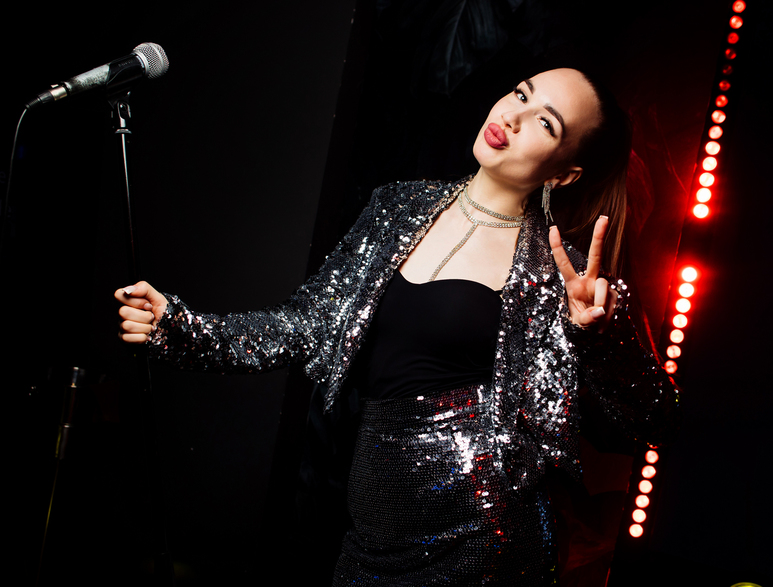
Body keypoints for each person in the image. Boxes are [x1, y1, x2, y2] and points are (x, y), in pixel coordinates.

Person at [115, 68, 680, 586]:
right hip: (372, 530)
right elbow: (305, 324)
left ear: (565, 172)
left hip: (487, 542)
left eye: (545, 123)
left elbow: (657, 420)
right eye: (521, 93)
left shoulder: (567, 279)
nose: (513, 115)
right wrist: (181, 328)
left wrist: (601, 338)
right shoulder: (396, 207)